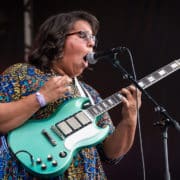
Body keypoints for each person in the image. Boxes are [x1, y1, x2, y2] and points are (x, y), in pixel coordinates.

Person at [0, 10, 142, 179]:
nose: (92, 43)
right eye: (83, 35)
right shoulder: (21, 74)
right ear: (57, 39)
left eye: (93, 38)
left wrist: (129, 120)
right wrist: (40, 98)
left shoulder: (90, 94)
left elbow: (111, 154)